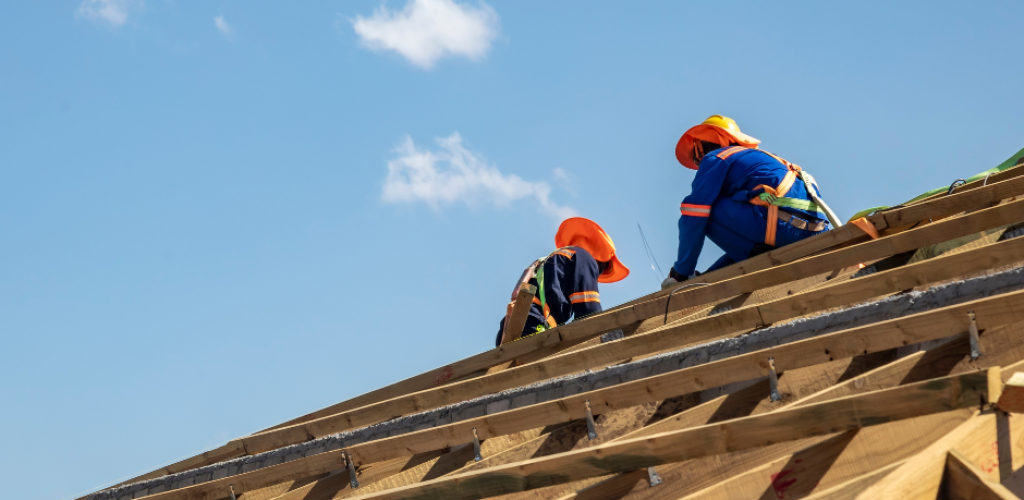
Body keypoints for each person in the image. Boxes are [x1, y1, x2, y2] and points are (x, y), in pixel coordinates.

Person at [662, 115, 839, 290]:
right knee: (719, 209)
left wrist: (681, 274)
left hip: (781, 227)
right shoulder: (761, 161)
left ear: (712, 141)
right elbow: (749, 246)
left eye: (698, 153)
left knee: (701, 210)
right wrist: (709, 276)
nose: (699, 162)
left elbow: (693, 215)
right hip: (810, 232)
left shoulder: (718, 157)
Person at [497, 217, 629, 346]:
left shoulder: (550, 259)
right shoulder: (584, 259)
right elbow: (589, 312)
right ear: (600, 259)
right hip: (534, 329)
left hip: (509, 330)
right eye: (602, 269)